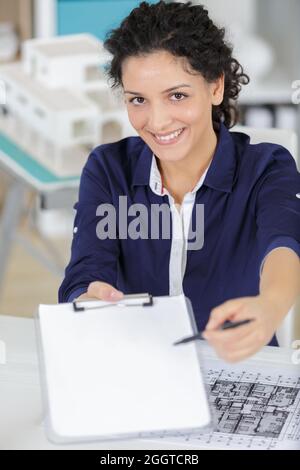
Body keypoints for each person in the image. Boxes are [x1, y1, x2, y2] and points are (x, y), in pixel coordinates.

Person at [59, 1, 300, 362]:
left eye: (177, 95)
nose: (157, 122)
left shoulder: (267, 168)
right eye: (138, 99)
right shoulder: (108, 170)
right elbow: (87, 269)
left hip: (238, 367)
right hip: (139, 365)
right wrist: (88, 300)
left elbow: (284, 246)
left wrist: (270, 304)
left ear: (215, 87)